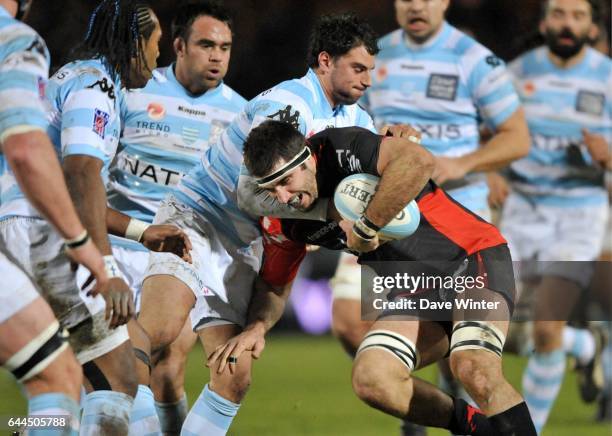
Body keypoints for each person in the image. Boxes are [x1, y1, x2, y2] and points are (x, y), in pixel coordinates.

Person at [211, 119, 537, 435]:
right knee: (372, 379)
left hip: (469, 256)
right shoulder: (285, 219)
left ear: (307, 159)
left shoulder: (338, 148)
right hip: (415, 291)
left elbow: (417, 160)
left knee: (473, 367)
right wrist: (256, 327)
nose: (283, 198)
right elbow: (274, 284)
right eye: (270, 190)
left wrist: (367, 226)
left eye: (285, 181)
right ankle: (480, 429)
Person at [136, 13, 380, 435]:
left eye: (370, 71)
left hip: (246, 243)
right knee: (158, 332)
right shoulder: (287, 108)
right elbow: (250, 194)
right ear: (325, 60)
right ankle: (95, 411)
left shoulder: (359, 122)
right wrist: (329, 214)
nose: (367, 81)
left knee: (234, 374)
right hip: (199, 218)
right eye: (358, 68)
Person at [330, 2, 530, 433]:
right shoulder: (374, 57)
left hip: (457, 219)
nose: (416, 5)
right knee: (349, 321)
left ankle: (446, 389)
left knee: (472, 362)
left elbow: (517, 137)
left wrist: (465, 164)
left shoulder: (474, 59)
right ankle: (419, 402)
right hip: (381, 212)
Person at [0, 1, 165, 434]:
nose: (157, 58)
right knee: (120, 378)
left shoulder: (70, 78)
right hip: (40, 232)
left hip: (14, 226)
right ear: (133, 45)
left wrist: (140, 231)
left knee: (60, 381)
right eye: (155, 45)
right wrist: (105, 268)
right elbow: (81, 171)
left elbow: (74, 187)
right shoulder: (97, 86)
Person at [106, 1, 246, 433]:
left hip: (179, 252)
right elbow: (92, 171)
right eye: (206, 44)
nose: (217, 55)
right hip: (117, 244)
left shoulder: (241, 115)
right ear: (179, 46)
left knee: (167, 362)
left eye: (224, 46)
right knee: (120, 365)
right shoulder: (133, 91)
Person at [496, 0, 611, 433]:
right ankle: (585, 344)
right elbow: (490, 132)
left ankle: (529, 430)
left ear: (591, 26)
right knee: (488, 328)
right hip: (521, 210)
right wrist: (489, 171)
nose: (567, 24)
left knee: (546, 329)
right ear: (544, 22)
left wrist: (608, 158)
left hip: (578, 214)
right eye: (559, 14)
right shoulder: (515, 74)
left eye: (578, 16)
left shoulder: (608, 78)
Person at [0, 0, 107, 433]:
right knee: (57, 377)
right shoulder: (14, 39)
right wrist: (81, 243)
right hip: (27, 225)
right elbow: (26, 149)